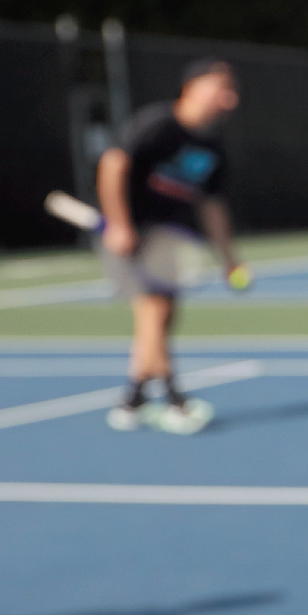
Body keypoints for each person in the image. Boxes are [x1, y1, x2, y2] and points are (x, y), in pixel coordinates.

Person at [98, 58, 244, 433]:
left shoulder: (212, 146)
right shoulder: (157, 125)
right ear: (192, 88)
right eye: (220, 89)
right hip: (132, 236)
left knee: (161, 319)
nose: (229, 99)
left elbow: (212, 206)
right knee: (153, 313)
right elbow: (113, 165)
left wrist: (229, 258)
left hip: (171, 239)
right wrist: (120, 225)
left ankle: (132, 401)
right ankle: (176, 400)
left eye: (231, 92)